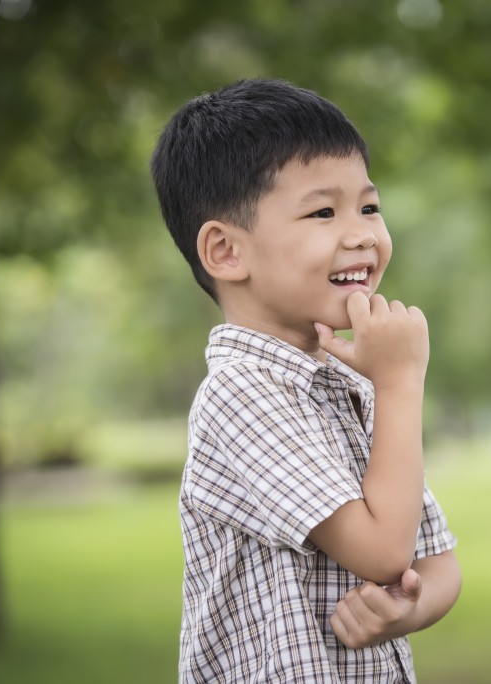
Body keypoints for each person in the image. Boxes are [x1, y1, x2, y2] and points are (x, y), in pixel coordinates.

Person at [150, 78, 461, 683]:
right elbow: (382, 551)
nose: (363, 235)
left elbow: (437, 562)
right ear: (225, 252)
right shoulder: (241, 394)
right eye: (323, 212)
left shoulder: (350, 384)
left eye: (369, 207)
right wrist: (401, 383)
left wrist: (407, 608)